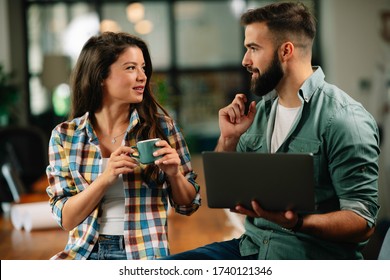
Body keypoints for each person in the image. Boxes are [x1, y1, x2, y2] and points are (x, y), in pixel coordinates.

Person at [163, 2, 380, 260]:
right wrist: (229, 139)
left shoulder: (344, 119)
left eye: (253, 49)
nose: (245, 60)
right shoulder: (259, 113)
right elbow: (226, 193)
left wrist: (298, 223)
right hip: (252, 247)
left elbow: (363, 221)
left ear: (285, 50)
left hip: (307, 257)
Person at [46, 32, 201, 260]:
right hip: (85, 253)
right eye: (130, 68)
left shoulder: (162, 128)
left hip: (143, 254)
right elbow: (66, 219)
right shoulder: (65, 135)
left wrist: (175, 174)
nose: (142, 77)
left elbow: (189, 205)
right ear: (100, 76)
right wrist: (106, 177)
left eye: (143, 68)